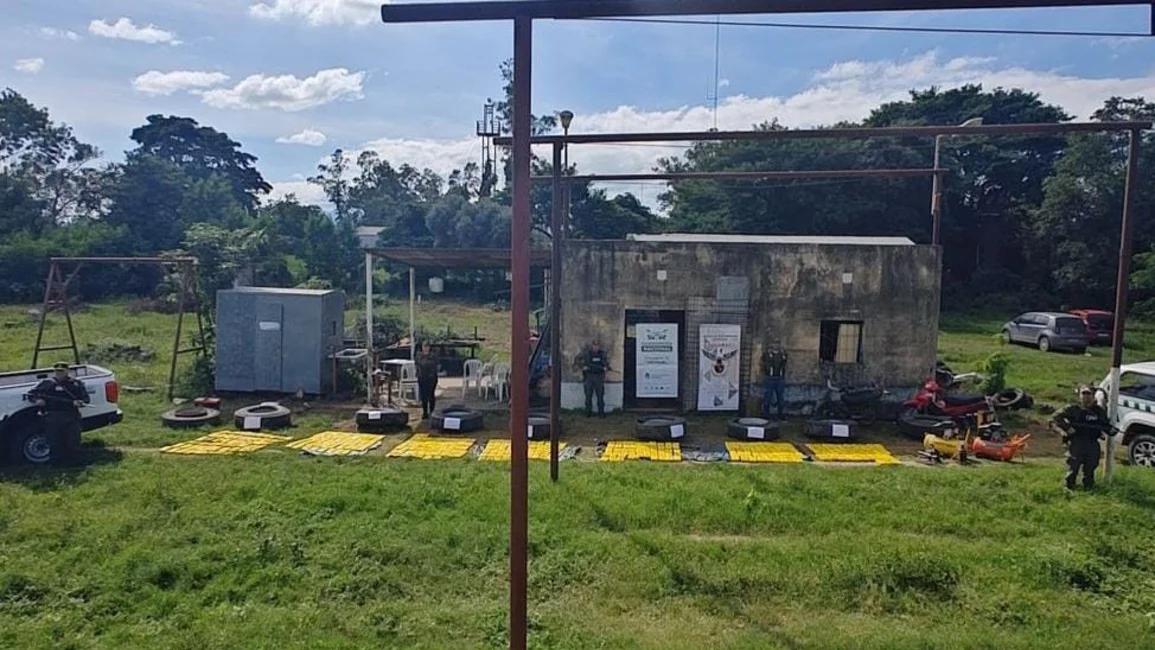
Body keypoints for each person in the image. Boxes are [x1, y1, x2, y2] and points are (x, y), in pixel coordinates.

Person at [1051, 385, 1111, 491]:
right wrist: (1067, 428)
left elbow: (1105, 425)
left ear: (1093, 396)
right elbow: (1056, 417)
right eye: (1083, 393)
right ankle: (1069, 487)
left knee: (1091, 466)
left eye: (1089, 394)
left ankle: (1089, 488)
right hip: (1077, 441)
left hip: (1092, 442)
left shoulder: (1099, 411)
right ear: (1079, 395)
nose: (1086, 396)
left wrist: (1108, 431)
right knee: (1074, 465)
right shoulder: (1073, 409)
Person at [27, 362, 89, 461]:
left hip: (71, 417)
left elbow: (86, 399)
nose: (59, 373)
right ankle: (56, 463)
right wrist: (37, 400)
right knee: (54, 442)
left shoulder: (76, 383)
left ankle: (75, 462)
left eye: (62, 371)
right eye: (57, 371)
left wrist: (80, 403)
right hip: (52, 417)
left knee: (73, 441)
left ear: (67, 371)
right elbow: (31, 394)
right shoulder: (47, 383)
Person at [578, 339, 609, 418]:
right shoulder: (587, 354)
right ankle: (588, 413)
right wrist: (583, 367)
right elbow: (578, 361)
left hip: (599, 377)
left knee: (600, 396)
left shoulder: (602, 354)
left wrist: (606, 367)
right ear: (592, 346)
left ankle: (601, 413)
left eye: (597, 346)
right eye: (594, 345)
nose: (596, 347)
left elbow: (606, 363)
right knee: (588, 396)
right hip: (589, 377)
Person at [761, 344, 788, 420]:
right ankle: (766, 415)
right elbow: (763, 362)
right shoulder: (767, 354)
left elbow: (785, 363)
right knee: (767, 397)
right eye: (774, 343)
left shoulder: (783, 354)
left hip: (779, 378)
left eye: (777, 343)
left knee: (780, 398)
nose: (776, 345)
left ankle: (780, 415)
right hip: (769, 378)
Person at [415, 341, 440, 419]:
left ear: (429, 347)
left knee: (431, 395)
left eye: (427, 346)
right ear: (422, 347)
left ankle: (432, 412)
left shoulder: (433, 356)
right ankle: (425, 412)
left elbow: (436, 365)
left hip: (431, 378)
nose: (425, 348)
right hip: (422, 377)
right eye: (424, 346)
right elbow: (417, 364)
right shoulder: (419, 355)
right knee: (423, 396)